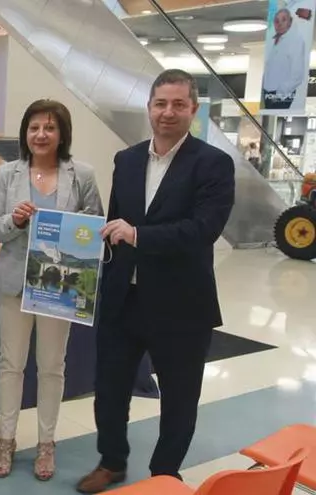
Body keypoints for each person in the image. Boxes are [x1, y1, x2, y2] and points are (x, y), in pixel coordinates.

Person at [75, 69, 235, 493]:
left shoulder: (213, 164)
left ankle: (165, 473)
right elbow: (115, 224)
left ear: (193, 110)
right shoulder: (126, 160)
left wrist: (138, 235)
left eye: (179, 104)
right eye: (161, 103)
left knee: (180, 397)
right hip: (123, 299)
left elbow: (204, 229)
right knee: (109, 390)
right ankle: (111, 462)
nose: (168, 112)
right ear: (149, 107)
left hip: (182, 304)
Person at [0, 99, 103, 481]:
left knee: (52, 367)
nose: (41, 134)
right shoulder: (8, 174)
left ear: (62, 133)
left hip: (59, 286)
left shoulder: (82, 175)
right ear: (25, 132)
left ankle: (46, 443)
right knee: (11, 364)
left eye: (50, 127)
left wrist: (69, 224)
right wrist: (16, 221)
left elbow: (96, 225)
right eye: (34, 127)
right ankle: (5, 440)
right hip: (14, 284)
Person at [261, 7, 307, 110]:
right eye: (277, 21)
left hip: (280, 95)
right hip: (268, 94)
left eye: (283, 20)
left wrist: (279, 94)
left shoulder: (295, 40)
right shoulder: (275, 41)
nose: (279, 24)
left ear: (290, 22)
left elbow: (297, 74)